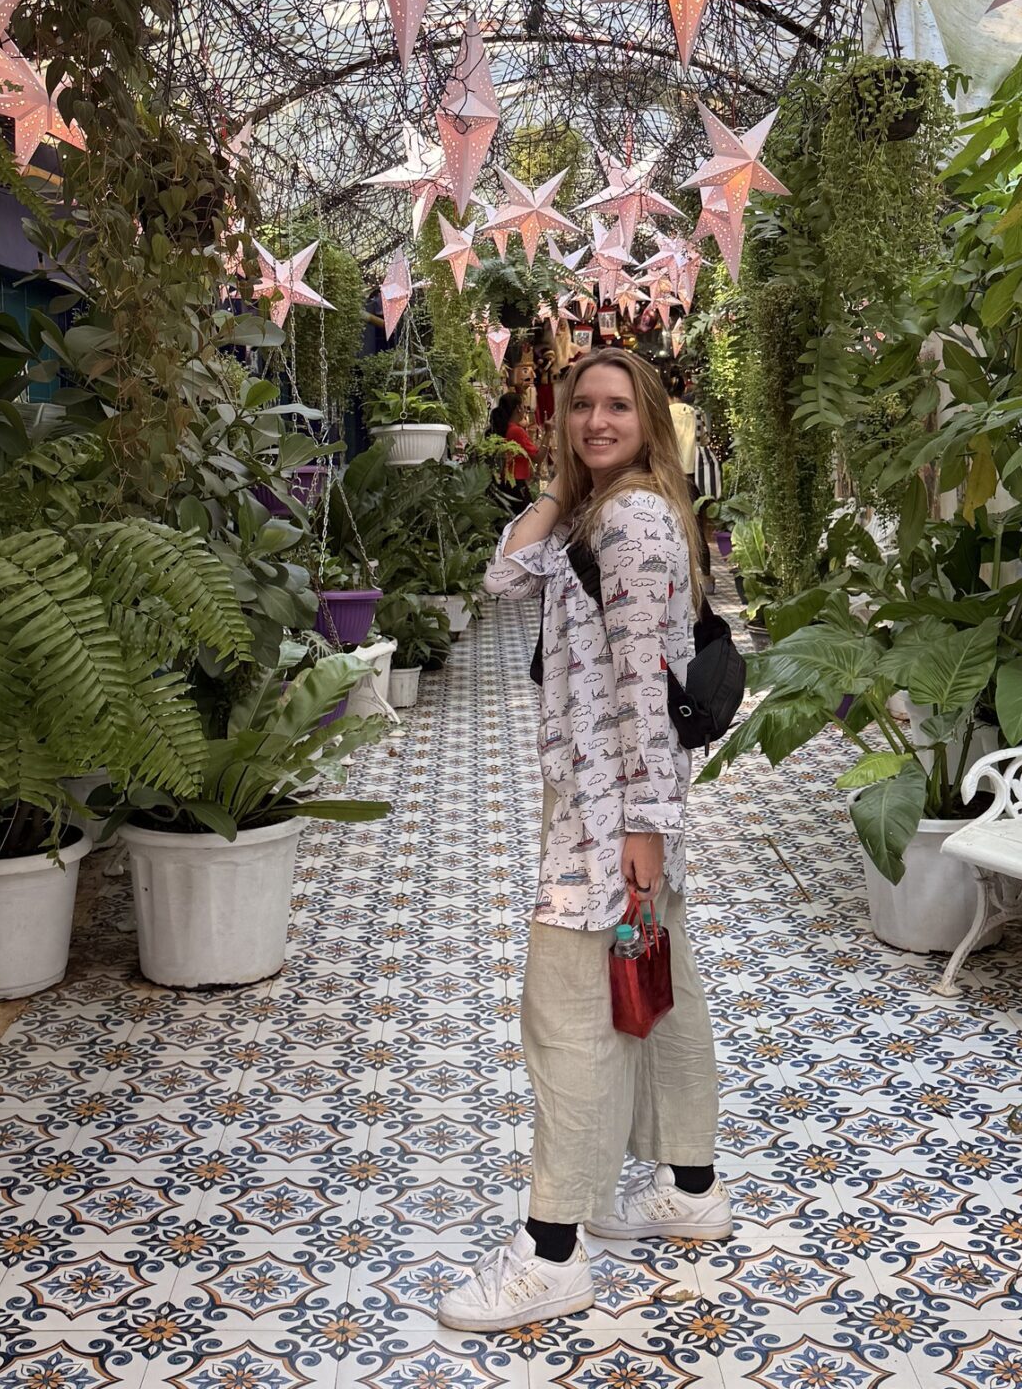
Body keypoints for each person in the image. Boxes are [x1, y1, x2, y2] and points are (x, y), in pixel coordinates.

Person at [440, 347, 727, 1334]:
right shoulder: (603, 512)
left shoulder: (636, 522)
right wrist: (562, 491)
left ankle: (551, 1252)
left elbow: (647, 689)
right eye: (581, 409)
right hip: (612, 803)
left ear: (650, 417)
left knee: (566, 1014)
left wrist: (644, 829)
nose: (597, 422)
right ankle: (690, 1189)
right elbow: (503, 577)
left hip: (613, 814)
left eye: (616, 407)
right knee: (662, 987)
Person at [491, 391, 540, 507]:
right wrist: (548, 434)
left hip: (505, 482)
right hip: (516, 483)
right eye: (524, 406)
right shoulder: (516, 431)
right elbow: (538, 458)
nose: (525, 410)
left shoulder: (505, 428)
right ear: (518, 408)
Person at [666, 369, 699, 483]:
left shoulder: (663, 414)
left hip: (669, 470)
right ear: (684, 390)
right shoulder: (696, 413)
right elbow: (704, 440)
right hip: (692, 469)